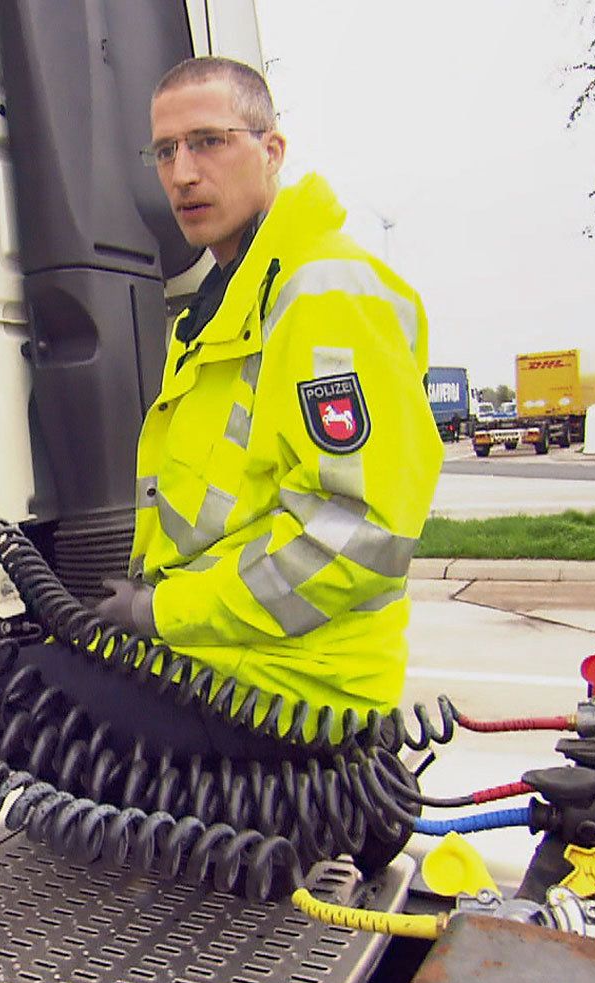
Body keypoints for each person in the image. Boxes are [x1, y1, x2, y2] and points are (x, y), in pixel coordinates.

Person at [89, 57, 441, 741]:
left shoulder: (325, 293)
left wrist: (160, 615)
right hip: (232, 655)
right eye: (165, 151)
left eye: (208, 141)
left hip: (292, 686)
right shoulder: (231, 302)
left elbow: (357, 536)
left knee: (17, 715)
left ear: (272, 149)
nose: (182, 173)